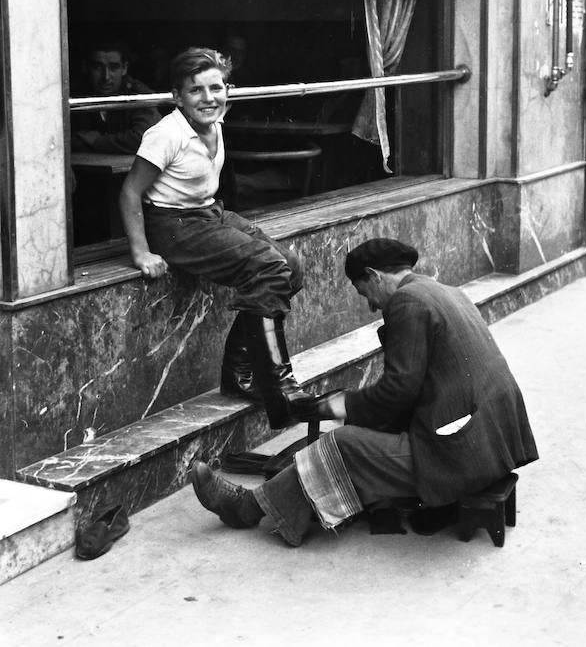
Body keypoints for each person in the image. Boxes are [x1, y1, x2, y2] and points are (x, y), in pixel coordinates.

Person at [190, 238, 539, 547]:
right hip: (496, 437)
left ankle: (247, 508)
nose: (371, 306)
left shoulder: (408, 303)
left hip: (461, 453)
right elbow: (414, 386)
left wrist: (331, 406)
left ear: (374, 275)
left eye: (364, 292)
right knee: (362, 434)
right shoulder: (446, 292)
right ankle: (289, 496)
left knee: (342, 444)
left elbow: (395, 394)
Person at [119, 47, 311, 430]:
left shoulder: (215, 122)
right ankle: (279, 384)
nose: (208, 98)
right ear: (178, 97)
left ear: (228, 89)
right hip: (174, 226)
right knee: (269, 267)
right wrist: (141, 252)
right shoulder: (166, 133)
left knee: (291, 266)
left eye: (216, 88)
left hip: (208, 212)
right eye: (196, 91)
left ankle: (240, 373)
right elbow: (129, 192)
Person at [71, 40, 161, 154]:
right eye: (98, 67)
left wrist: (97, 141)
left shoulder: (139, 94)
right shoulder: (76, 94)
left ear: (124, 68)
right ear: (86, 68)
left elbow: (148, 138)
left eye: (113, 67)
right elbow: (65, 141)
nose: (106, 77)